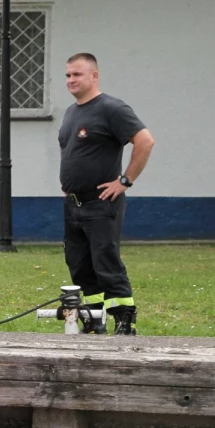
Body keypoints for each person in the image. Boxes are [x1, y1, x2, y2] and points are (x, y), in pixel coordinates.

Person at [58, 53, 155, 335]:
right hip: (73, 205)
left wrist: (125, 181)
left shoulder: (111, 109)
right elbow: (69, 149)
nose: (71, 80)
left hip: (101, 204)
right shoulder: (71, 112)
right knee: (80, 266)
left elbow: (145, 141)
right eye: (67, 75)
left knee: (106, 262)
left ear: (94, 76)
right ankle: (93, 319)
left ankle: (124, 320)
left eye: (77, 74)